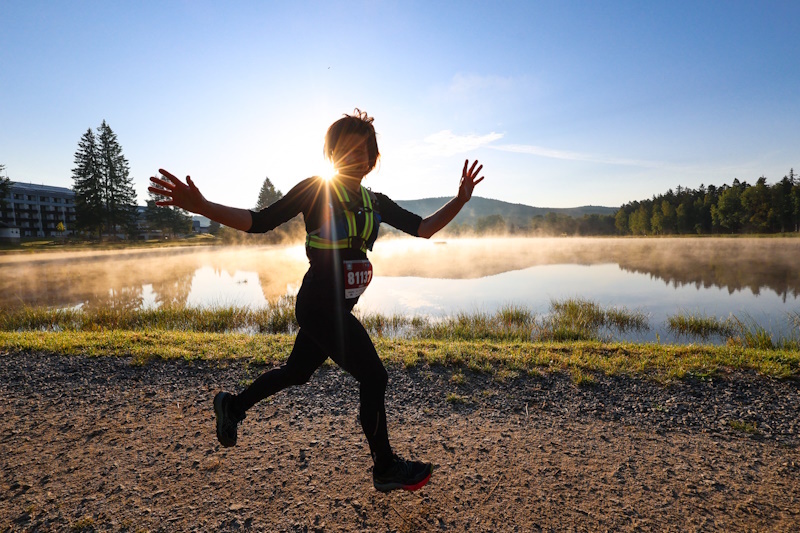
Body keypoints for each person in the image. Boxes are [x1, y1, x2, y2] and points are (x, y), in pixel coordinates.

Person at [148, 109, 484, 492]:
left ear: (373, 158)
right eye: (347, 148)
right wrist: (203, 206)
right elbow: (259, 222)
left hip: (338, 309)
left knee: (296, 373)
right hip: (318, 305)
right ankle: (385, 467)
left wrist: (460, 200)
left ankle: (233, 406)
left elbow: (424, 228)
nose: (356, 155)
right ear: (332, 154)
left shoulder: (378, 202)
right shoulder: (315, 189)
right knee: (374, 376)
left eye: (364, 149)